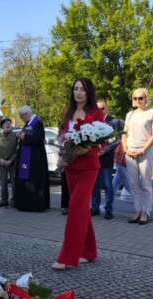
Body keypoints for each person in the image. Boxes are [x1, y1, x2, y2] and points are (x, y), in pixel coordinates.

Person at [52, 77, 103, 270]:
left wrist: (89, 150)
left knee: (75, 207)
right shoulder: (68, 111)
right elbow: (62, 137)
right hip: (70, 167)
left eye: (82, 89)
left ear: (88, 92)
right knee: (80, 210)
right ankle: (89, 252)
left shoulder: (95, 112)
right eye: (75, 89)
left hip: (89, 166)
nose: (78, 92)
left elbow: (102, 141)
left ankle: (67, 257)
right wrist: (62, 156)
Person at [122, 88, 153, 225]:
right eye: (135, 98)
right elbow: (124, 133)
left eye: (141, 98)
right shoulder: (130, 114)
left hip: (145, 151)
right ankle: (137, 210)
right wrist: (125, 149)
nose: (138, 101)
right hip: (130, 152)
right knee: (133, 184)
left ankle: (145, 211)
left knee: (146, 183)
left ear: (146, 99)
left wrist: (143, 149)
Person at [90, 99, 124, 220]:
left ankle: (108, 209)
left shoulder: (114, 122)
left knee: (108, 185)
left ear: (107, 108)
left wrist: (104, 151)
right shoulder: (92, 122)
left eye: (102, 108)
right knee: (94, 185)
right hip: (95, 158)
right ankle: (95, 208)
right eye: (97, 109)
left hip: (106, 158)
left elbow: (116, 140)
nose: (100, 111)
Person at [14, 105, 50, 212]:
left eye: (21, 117)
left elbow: (39, 140)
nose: (21, 119)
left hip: (35, 159)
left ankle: (35, 205)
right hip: (27, 158)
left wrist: (23, 136)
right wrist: (19, 136)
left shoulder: (37, 123)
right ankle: (25, 204)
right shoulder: (28, 123)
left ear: (25, 115)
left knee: (34, 181)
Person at [0, 118, 17, 208]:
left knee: (14, 182)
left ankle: (14, 201)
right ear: (2, 126)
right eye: (6, 123)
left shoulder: (15, 136)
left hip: (12, 162)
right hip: (2, 163)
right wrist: (0, 159)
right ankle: (4, 200)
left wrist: (11, 160)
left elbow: (18, 150)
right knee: (3, 182)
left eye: (9, 123)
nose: (8, 125)